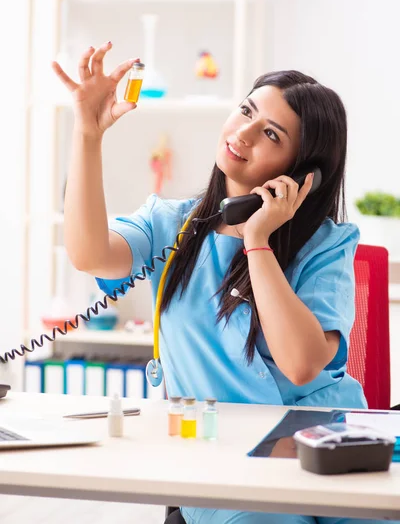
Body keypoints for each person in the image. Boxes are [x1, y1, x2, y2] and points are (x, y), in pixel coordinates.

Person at [53, 42, 384, 524]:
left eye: (270, 133)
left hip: (329, 448)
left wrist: (258, 242)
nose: (243, 133)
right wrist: (87, 134)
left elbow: (301, 365)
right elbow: (89, 253)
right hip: (222, 458)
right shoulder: (169, 225)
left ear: (303, 174)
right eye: (246, 111)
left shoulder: (327, 243)